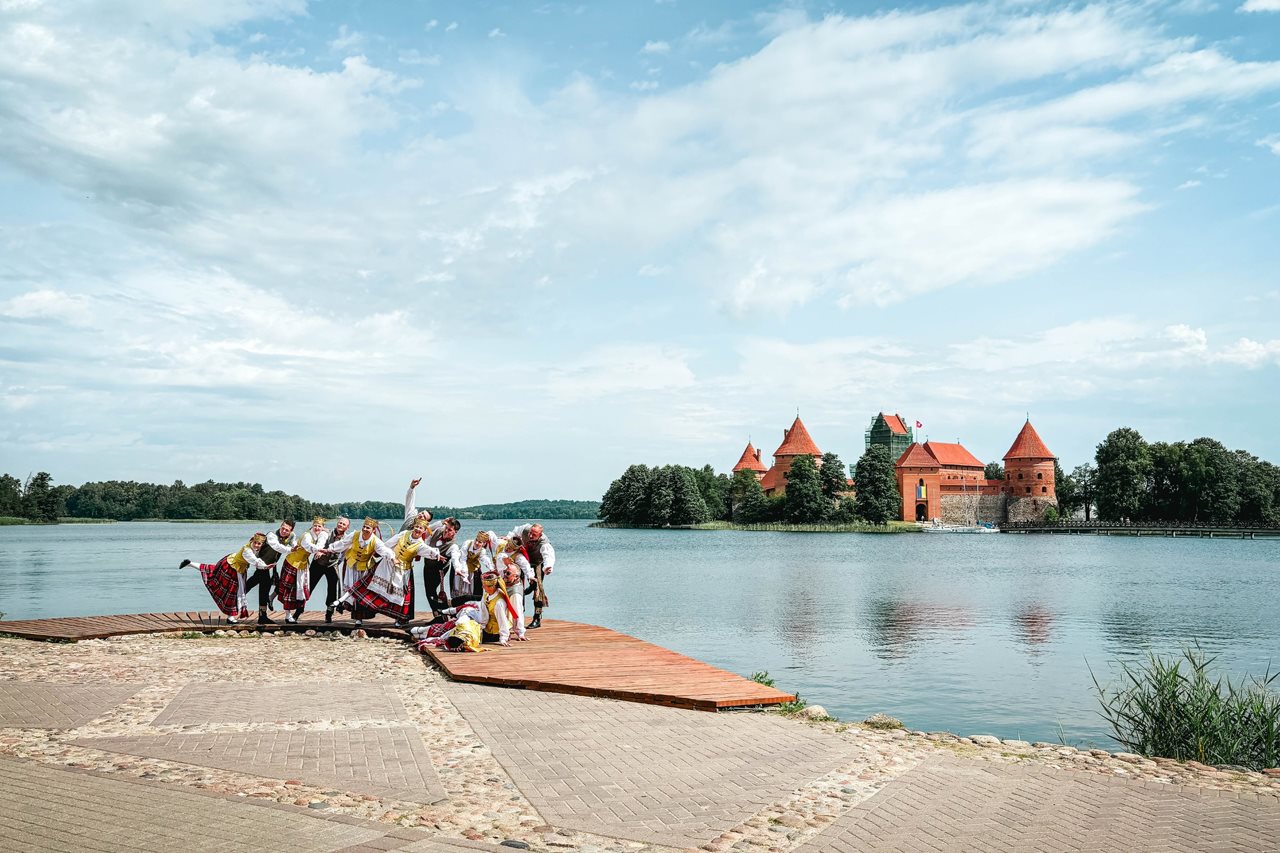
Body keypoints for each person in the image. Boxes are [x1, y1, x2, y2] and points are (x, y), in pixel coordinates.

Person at [343, 517, 440, 627]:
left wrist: (437, 555)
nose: (417, 529)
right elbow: (389, 544)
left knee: (402, 596)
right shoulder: (404, 534)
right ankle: (360, 617)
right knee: (369, 588)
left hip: (403, 570)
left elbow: (428, 551)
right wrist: (383, 553)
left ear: (423, 531)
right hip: (387, 565)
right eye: (416, 526)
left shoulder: (421, 544)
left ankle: (400, 619)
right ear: (413, 527)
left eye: (420, 528)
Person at [179, 532, 268, 624]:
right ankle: (230, 617)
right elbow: (255, 561)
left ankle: (189, 563)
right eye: (255, 543)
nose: (256, 545)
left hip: (236, 567)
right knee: (231, 592)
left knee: (214, 572)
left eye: (259, 544)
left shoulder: (254, 549)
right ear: (252, 541)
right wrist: (267, 566)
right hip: (232, 568)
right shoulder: (247, 550)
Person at [323, 516, 384, 626]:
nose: (365, 529)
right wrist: (329, 549)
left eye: (368, 528)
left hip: (364, 568)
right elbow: (343, 544)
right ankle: (352, 613)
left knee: (360, 592)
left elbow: (384, 550)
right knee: (352, 590)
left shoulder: (376, 541)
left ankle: (358, 619)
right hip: (351, 566)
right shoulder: (355, 535)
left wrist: (393, 558)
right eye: (364, 527)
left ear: (373, 530)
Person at [506, 522, 555, 628]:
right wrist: (508, 538)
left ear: (540, 535)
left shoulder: (544, 543)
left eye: (534, 535)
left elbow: (548, 556)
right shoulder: (525, 529)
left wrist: (548, 567)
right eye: (531, 533)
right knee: (515, 583)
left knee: (538, 589)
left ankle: (537, 618)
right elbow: (515, 533)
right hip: (523, 560)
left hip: (537, 563)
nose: (531, 536)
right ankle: (516, 616)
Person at [246, 518, 295, 624]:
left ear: (290, 531)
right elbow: (277, 547)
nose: (284, 531)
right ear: (280, 526)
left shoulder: (288, 538)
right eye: (283, 528)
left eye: (287, 530)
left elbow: (293, 543)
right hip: (261, 565)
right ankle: (261, 616)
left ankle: (261, 615)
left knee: (255, 586)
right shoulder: (271, 535)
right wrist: (291, 549)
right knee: (261, 587)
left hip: (267, 567)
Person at [306, 515, 349, 623]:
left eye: (343, 524)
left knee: (332, 589)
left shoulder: (346, 539)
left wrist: (337, 562)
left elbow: (343, 553)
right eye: (340, 523)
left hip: (331, 565)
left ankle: (329, 614)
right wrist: (319, 551)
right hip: (318, 563)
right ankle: (298, 611)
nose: (341, 525)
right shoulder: (326, 533)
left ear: (346, 528)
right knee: (308, 586)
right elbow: (316, 537)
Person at [419, 517, 462, 618]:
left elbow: (455, 558)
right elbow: (427, 536)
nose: (446, 531)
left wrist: (458, 569)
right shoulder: (438, 531)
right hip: (427, 566)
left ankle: (440, 614)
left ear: (455, 532)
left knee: (431, 591)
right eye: (446, 528)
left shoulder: (453, 546)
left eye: (450, 530)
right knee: (428, 591)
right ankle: (439, 614)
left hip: (439, 570)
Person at [478, 568, 520, 645]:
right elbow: (484, 615)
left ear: (492, 587)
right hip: (487, 628)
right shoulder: (486, 594)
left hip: (495, 633)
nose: (483, 588)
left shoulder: (499, 603)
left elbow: (502, 620)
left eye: (485, 586)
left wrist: (503, 638)